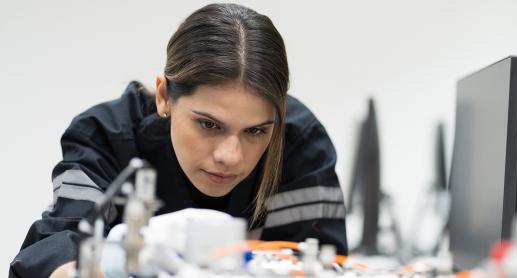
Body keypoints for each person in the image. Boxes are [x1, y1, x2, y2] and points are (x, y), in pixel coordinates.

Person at [9, 3, 347, 277]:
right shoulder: (106, 135)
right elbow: (55, 248)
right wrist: (101, 267)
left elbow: (325, 263)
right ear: (164, 96)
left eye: (256, 131)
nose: (230, 156)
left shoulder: (300, 143)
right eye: (208, 124)